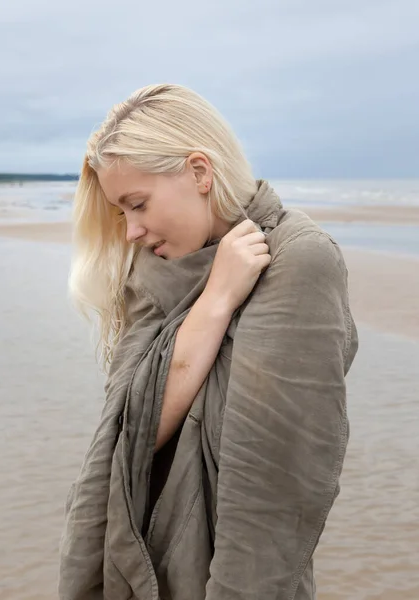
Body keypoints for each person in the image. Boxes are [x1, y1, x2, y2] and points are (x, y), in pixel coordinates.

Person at [59, 83, 358, 600]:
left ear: (199, 172)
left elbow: (276, 494)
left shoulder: (297, 262)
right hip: (134, 571)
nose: (131, 231)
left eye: (137, 204)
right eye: (121, 213)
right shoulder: (155, 276)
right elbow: (129, 440)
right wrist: (217, 299)